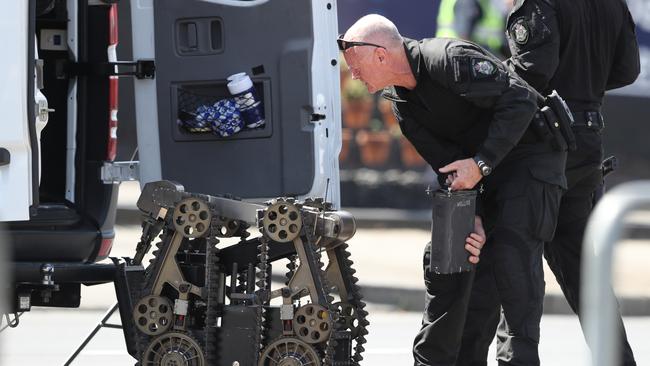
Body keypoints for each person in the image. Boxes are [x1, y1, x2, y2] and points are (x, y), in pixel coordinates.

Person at [339, 14, 566, 366]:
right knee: (463, 269)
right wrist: (471, 216)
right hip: (483, 174)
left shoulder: (448, 59)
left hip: (529, 159)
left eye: (356, 65)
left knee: (512, 263)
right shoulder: (401, 103)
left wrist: (482, 164)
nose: (352, 74)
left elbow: (521, 100)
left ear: (381, 55)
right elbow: (447, 166)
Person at [458, 0, 641, 365]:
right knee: (587, 277)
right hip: (586, 142)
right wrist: (582, 83)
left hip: (540, 149)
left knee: (516, 271)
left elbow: (532, 72)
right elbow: (627, 69)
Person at [436, 0, 511, 57]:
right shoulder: (467, 2)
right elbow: (463, 39)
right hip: (456, 55)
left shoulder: (486, 3)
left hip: (448, 52)